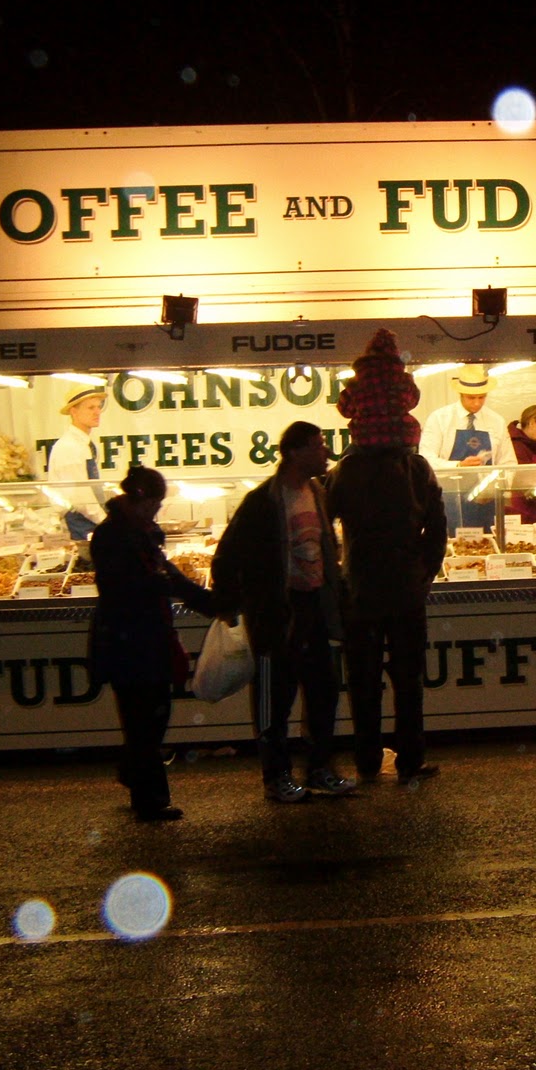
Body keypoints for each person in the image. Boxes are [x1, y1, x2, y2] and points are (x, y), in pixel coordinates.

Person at [327, 328, 448, 784]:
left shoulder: (344, 472)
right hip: (404, 587)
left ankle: (365, 761)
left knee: (362, 683)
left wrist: (338, 578)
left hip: (359, 587)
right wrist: (423, 572)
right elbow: (437, 528)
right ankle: (411, 759)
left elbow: (322, 528)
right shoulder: (416, 468)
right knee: (408, 680)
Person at [211, 421, 355, 801]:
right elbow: (228, 553)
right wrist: (234, 603)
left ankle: (319, 768)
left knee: (324, 691)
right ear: (294, 452)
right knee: (274, 700)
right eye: (318, 445)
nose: (325, 452)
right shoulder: (263, 501)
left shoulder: (317, 493)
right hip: (279, 614)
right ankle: (276, 776)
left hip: (314, 608)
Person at [89, 465, 217, 820]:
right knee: (145, 718)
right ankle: (151, 800)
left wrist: (206, 601)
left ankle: (134, 773)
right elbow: (122, 587)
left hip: (143, 638)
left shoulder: (139, 533)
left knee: (149, 717)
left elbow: (168, 575)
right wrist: (169, 587)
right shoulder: (112, 536)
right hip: (128, 640)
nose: (156, 512)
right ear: (136, 499)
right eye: (153, 504)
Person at [418, 364, 518, 529]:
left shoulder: (497, 421)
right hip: (447, 501)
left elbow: (509, 464)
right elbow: (426, 459)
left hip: (486, 503)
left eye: (482, 397)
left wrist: (492, 490)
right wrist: (458, 465)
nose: (477, 403)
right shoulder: (440, 419)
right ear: (461, 394)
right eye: (471, 398)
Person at [46, 385, 109, 539]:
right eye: (90, 408)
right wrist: (106, 522)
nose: (97, 412)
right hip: (81, 524)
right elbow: (80, 497)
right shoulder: (69, 447)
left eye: (98, 407)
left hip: (91, 521)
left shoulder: (82, 443)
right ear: (73, 411)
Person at [506, 404, 536, 525]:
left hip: (531, 513)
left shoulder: (530, 446)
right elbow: (527, 485)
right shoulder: (516, 447)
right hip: (522, 514)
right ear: (532, 422)